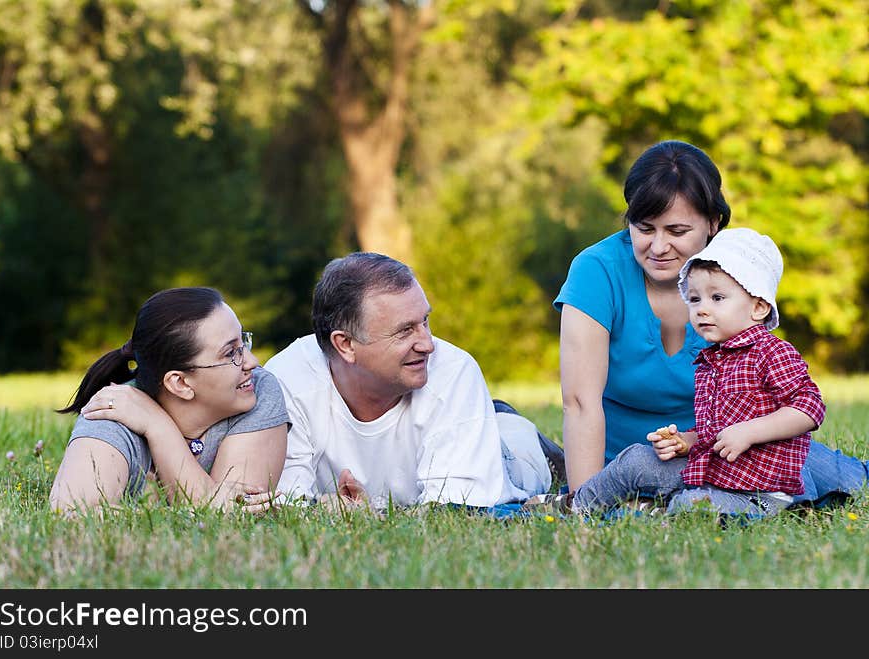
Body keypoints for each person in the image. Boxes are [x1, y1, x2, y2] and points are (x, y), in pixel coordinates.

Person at [553, 139, 867, 509]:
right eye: (644, 228)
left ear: (713, 224)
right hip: (626, 461)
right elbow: (579, 403)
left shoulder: (736, 278)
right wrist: (588, 499)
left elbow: (770, 393)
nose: (658, 247)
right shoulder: (596, 270)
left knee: (823, 471)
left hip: (728, 454)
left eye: (677, 231)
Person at [243, 252, 564, 514]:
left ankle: (519, 432)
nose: (428, 344)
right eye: (405, 331)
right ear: (346, 345)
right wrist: (319, 510)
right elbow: (282, 503)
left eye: (425, 321)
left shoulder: (453, 372)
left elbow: (457, 514)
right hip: (422, 462)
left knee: (524, 457)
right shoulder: (288, 378)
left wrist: (371, 518)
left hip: (508, 459)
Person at [563, 228, 826, 516]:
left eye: (717, 298)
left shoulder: (772, 352)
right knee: (637, 460)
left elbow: (809, 407)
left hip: (757, 491)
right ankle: (577, 506)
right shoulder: (711, 360)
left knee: (691, 507)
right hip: (711, 471)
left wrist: (749, 432)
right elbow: (714, 429)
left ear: (759, 307)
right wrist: (686, 441)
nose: (701, 310)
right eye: (695, 299)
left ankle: (652, 511)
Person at [50, 287, 290, 514]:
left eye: (243, 343)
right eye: (231, 353)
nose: (252, 362)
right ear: (180, 383)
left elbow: (238, 517)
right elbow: (72, 517)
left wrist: (159, 428)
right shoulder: (111, 414)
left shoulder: (255, 389)